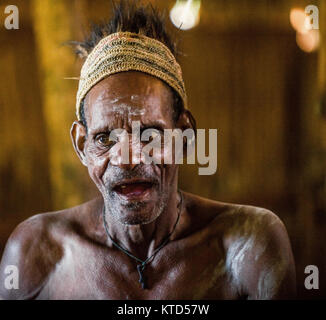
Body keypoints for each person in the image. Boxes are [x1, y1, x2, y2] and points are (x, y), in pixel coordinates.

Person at [0, 1, 296, 299]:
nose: (128, 158)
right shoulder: (36, 254)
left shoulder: (246, 247)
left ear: (184, 136)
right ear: (81, 145)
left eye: (150, 134)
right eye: (104, 138)